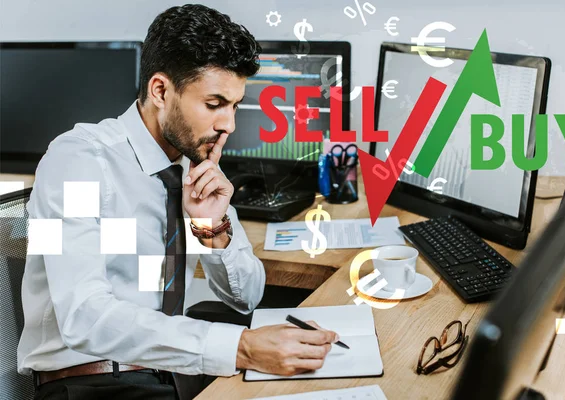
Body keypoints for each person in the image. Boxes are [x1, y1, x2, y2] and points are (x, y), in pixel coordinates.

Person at [17, 4, 339, 400]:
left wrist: (212, 229)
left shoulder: (194, 169)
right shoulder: (76, 162)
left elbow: (246, 297)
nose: (229, 125)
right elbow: (84, 317)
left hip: (171, 372)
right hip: (90, 381)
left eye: (235, 105)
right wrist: (241, 347)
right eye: (214, 103)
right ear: (160, 91)